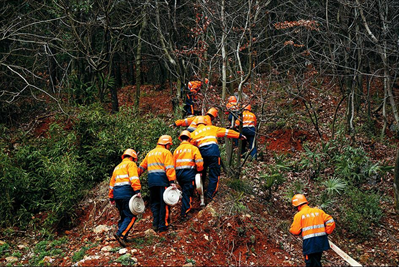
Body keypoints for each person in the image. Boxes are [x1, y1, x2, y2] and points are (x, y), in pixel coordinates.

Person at [191, 116, 246, 203]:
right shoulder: (212, 128)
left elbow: (191, 147)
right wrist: (239, 135)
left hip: (201, 154)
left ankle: (198, 192)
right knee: (214, 173)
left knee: (201, 172)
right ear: (205, 122)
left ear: (196, 124)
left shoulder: (193, 133)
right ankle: (210, 194)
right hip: (213, 153)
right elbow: (226, 132)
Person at [138, 135, 177, 233]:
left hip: (151, 182)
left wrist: (134, 176)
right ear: (167, 144)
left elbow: (141, 168)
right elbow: (169, 168)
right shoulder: (166, 153)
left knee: (155, 203)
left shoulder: (150, 153)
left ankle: (155, 224)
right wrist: (172, 181)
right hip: (162, 181)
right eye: (169, 145)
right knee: (165, 203)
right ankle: (163, 226)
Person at [289, 194, 336, 267]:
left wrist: (291, 229)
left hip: (310, 244)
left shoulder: (299, 215)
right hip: (321, 242)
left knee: (311, 263)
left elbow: (295, 231)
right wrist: (326, 232)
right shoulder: (318, 211)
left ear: (298, 206)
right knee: (316, 261)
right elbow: (331, 222)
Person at [108, 149, 142, 247]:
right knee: (131, 216)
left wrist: (111, 197)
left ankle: (124, 236)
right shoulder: (131, 164)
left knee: (123, 215)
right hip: (126, 192)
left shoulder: (117, 167)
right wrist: (137, 191)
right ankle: (121, 234)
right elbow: (134, 178)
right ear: (133, 157)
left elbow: (111, 184)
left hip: (116, 194)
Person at [173, 130, 204, 219]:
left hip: (179, 174)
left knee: (185, 191)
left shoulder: (176, 150)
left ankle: (185, 209)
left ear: (180, 139)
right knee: (188, 192)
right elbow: (199, 162)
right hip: (189, 173)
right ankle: (185, 212)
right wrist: (199, 171)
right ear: (189, 139)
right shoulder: (193, 148)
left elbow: (173, 164)